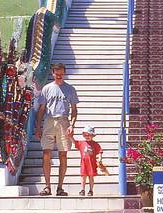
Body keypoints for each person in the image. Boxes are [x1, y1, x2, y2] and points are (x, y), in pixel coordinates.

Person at [34, 63, 78, 196]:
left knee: (63, 154)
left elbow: (74, 110)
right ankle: (47, 186)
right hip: (49, 121)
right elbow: (41, 109)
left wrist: (72, 125)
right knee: (46, 153)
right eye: (56, 74)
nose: (59, 76)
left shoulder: (70, 89)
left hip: (64, 121)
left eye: (61, 74)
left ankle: (60, 187)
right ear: (53, 74)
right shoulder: (47, 88)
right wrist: (38, 126)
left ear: (64, 74)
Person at [75, 125, 109, 196]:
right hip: (84, 163)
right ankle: (82, 189)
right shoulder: (82, 143)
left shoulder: (95, 144)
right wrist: (70, 136)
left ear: (93, 135)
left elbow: (100, 151)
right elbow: (74, 142)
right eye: (85, 135)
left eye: (89, 135)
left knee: (91, 177)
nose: (87, 136)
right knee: (83, 177)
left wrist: (100, 159)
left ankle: (91, 190)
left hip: (92, 163)